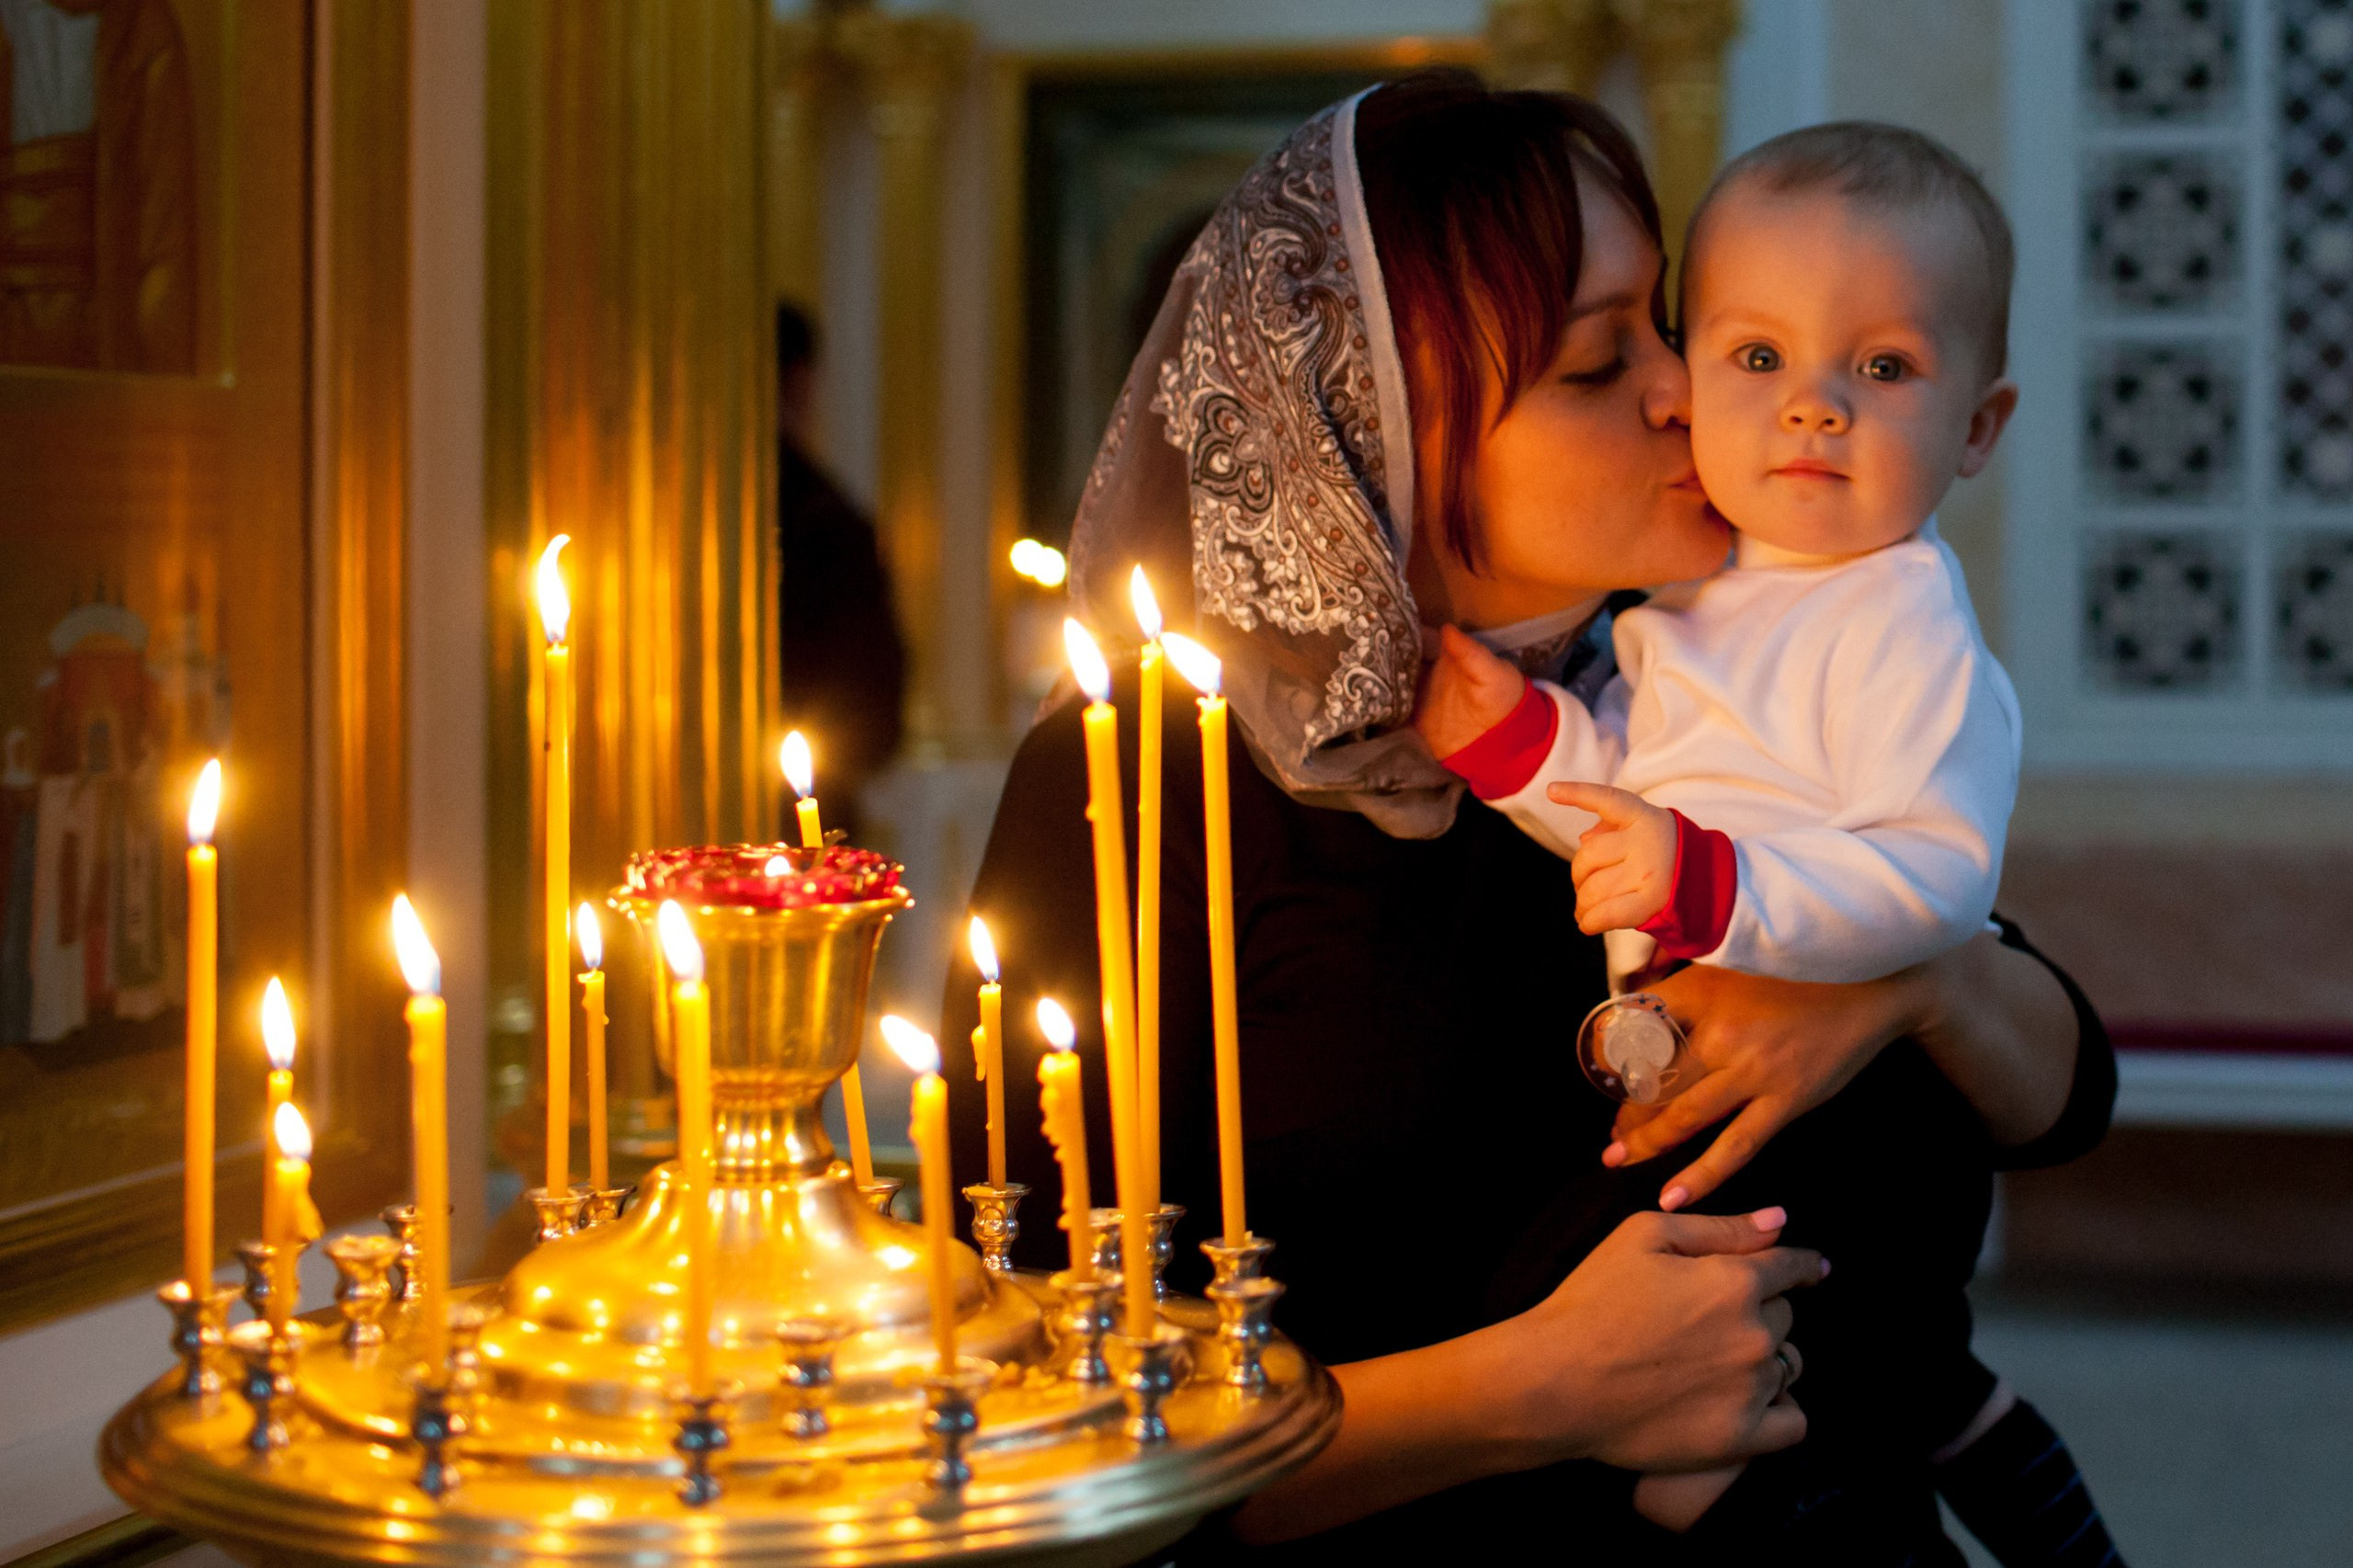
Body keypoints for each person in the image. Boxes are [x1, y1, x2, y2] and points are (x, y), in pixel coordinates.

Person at [941, 74, 2115, 1562]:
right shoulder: (1145, 770)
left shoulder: (1697, 637)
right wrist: (1534, 1392)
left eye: (1666, 326)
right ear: (1383, 427)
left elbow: (2063, 1090)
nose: (1690, 392)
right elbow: (1033, 1420)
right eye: (1595, 361)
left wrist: (1913, 982)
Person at [1415, 121, 2120, 1564]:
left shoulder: (1900, 617)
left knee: (1786, 1369)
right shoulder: (1693, 599)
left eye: (1882, 370)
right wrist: (1523, 750)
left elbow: (1938, 876)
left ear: (1977, 428)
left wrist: (1715, 885)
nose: (1813, 412)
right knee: (1892, 1376)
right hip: (1716, 1057)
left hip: (1861, 1105)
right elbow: (1633, 804)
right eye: (1758, 361)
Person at [776, 303, 904, 837]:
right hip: (812, 812)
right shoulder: (829, 521)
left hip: (809, 809)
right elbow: (875, 707)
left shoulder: (827, 522)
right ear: (802, 383)